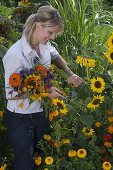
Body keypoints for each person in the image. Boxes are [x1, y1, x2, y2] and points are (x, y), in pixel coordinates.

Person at [2, 5, 83, 170]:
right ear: (38, 26)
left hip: (41, 113)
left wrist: (70, 73)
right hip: (21, 119)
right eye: (50, 32)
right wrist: (46, 91)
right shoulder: (15, 55)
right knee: (25, 164)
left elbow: (54, 55)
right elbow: (11, 94)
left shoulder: (44, 44)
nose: (52, 37)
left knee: (41, 157)